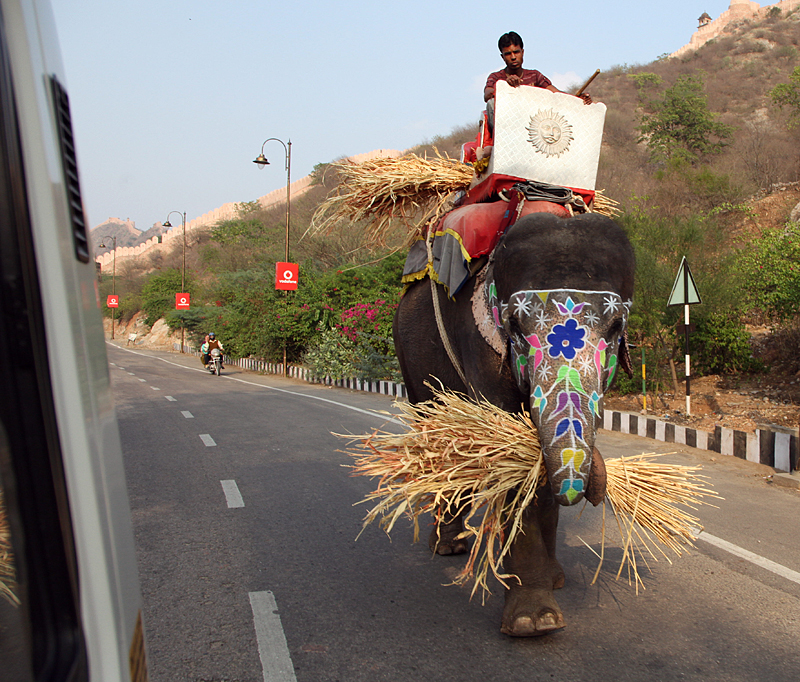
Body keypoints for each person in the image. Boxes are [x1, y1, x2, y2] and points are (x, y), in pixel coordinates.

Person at [483, 32, 591, 128]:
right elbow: (487, 95)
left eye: (516, 52)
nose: (513, 57)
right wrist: (505, 86)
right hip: (506, 128)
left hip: (533, 128)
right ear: (502, 57)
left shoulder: (535, 76)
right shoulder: (496, 77)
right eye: (508, 54)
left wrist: (577, 99)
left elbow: (556, 93)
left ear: (522, 52)